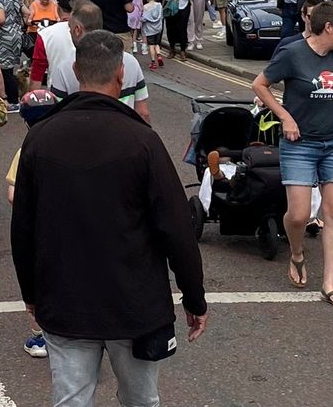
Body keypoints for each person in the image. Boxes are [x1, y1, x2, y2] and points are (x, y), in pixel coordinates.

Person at [11, 30, 207, 406]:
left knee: (71, 399)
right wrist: (194, 299)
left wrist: (31, 294)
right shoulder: (142, 140)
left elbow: (23, 227)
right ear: (120, 73)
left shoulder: (40, 138)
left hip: (64, 300)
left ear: (73, 71)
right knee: (140, 400)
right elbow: (177, 227)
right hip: (134, 304)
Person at [252, 0, 333, 310]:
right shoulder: (292, 52)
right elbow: (260, 85)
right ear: (328, 28)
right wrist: (285, 117)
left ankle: (329, 285)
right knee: (298, 215)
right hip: (300, 144)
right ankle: (297, 254)